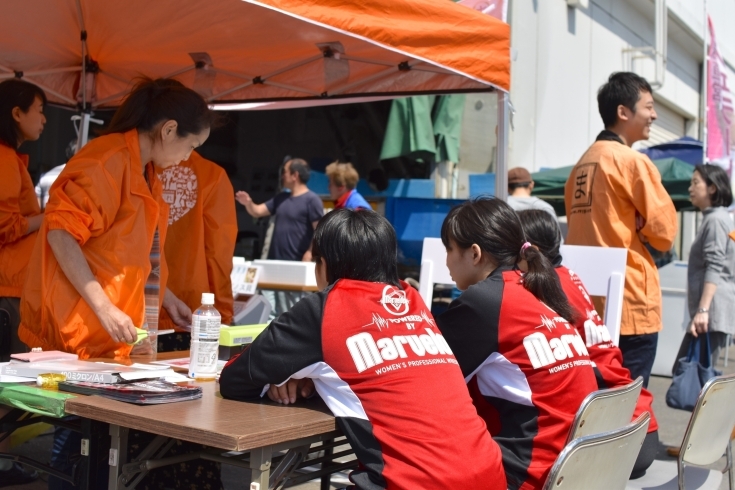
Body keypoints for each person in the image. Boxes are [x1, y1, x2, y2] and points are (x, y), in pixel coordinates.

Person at [220, 209, 507, 490]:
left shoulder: (325, 308)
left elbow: (235, 378)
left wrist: (284, 379)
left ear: (325, 264)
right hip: (491, 473)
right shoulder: (412, 300)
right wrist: (312, 375)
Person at [19, 78, 211, 359]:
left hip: (108, 335)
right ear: (169, 130)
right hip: (72, 334)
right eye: (191, 146)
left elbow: (127, 257)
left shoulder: (146, 172)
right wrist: (105, 308)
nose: (187, 157)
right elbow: (60, 235)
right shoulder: (107, 162)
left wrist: (167, 299)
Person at [435, 197, 598, 490]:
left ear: (474, 254)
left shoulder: (485, 301)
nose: (445, 260)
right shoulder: (534, 287)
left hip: (529, 474)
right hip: (575, 469)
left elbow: (420, 377)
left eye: (449, 249)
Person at [517, 209, 659, 478]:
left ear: (529, 250)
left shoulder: (542, 288)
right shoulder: (568, 275)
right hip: (638, 423)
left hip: (614, 435)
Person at [564, 72, 677, 387]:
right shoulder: (632, 162)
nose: (654, 115)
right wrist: (641, 227)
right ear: (623, 112)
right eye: (649, 107)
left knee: (594, 398)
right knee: (630, 404)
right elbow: (665, 234)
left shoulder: (580, 166)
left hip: (587, 302)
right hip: (630, 300)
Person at [0, 78, 45, 487]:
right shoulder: (3, 158)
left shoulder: (11, 158)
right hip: (7, 288)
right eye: (39, 110)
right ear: (16, 113)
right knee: (6, 384)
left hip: (12, 286)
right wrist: (48, 217)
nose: (45, 119)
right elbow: (4, 224)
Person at [157, 150, 237, 350]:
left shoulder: (139, 167)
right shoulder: (212, 175)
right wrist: (223, 313)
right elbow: (218, 254)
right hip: (190, 313)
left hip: (131, 311)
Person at [235, 158, 323, 315]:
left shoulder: (312, 200)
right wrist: (248, 203)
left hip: (296, 268)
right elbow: (257, 211)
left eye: (285, 172)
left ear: (295, 175)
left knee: (291, 311)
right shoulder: (281, 198)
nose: (282, 176)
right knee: (269, 310)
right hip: (273, 265)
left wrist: (310, 252)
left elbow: (320, 230)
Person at [674, 164, 735, 370]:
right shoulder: (717, 218)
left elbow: (715, 265)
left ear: (712, 188)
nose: (690, 188)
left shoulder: (716, 220)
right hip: (711, 312)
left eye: (695, 182)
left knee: (693, 378)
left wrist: (702, 310)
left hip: (710, 313)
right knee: (692, 377)